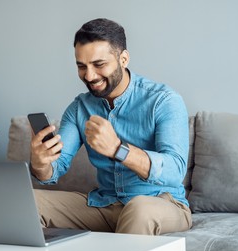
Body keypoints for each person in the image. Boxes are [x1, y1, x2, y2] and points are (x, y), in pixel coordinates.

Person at [30, 18, 192, 235]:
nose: (89, 76)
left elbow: (175, 171)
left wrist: (119, 149)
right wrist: (41, 162)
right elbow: (53, 171)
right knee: (26, 201)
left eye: (99, 65)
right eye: (81, 66)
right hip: (105, 205)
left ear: (123, 58)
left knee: (139, 209)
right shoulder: (80, 108)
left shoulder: (164, 100)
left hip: (162, 204)